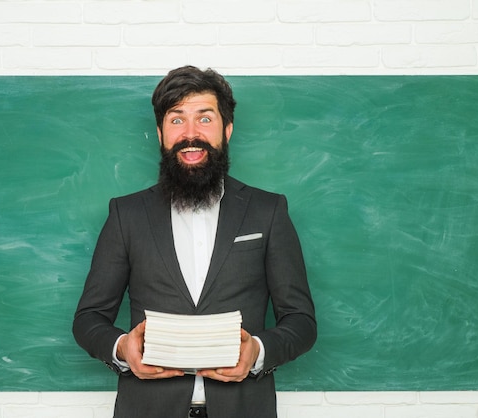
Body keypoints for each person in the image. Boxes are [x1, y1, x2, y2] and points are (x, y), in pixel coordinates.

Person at [72, 65, 317, 418]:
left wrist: (258, 352)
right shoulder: (127, 214)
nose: (190, 134)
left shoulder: (269, 211)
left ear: (227, 130)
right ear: (160, 133)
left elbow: (301, 321)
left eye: (204, 119)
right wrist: (123, 348)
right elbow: (89, 319)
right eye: (176, 120)